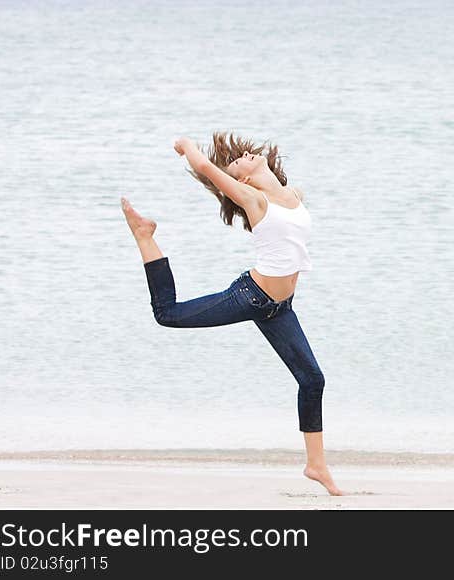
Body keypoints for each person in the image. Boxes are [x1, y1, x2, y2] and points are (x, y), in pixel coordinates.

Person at [120, 132, 342, 496]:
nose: (242, 157)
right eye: (237, 162)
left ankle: (316, 465)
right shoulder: (253, 199)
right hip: (250, 297)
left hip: (280, 309)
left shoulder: (293, 196)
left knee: (313, 380)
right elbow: (207, 168)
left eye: (242, 155)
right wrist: (187, 147)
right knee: (168, 314)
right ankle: (145, 236)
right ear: (241, 179)